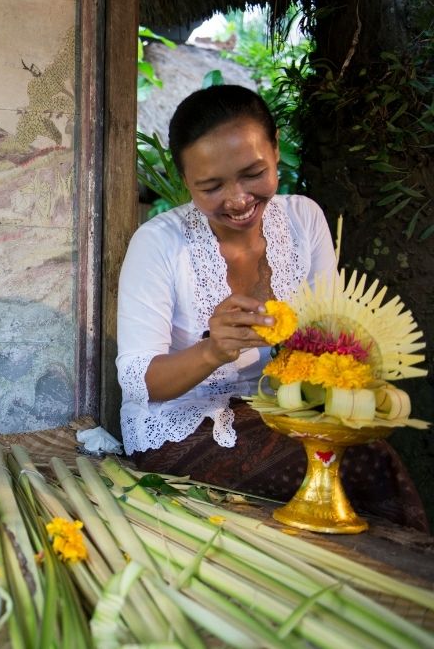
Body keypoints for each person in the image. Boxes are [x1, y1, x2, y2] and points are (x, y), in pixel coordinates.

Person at [117, 85, 428, 531]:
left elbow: (327, 335)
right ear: (185, 180)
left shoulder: (304, 220)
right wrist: (212, 351)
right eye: (211, 186)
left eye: (252, 173)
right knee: (358, 469)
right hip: (181, 427)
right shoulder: (159, 244)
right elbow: (139, 383)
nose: (238, 199)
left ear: (276, 149)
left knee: (372, 456)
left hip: (282, 413)